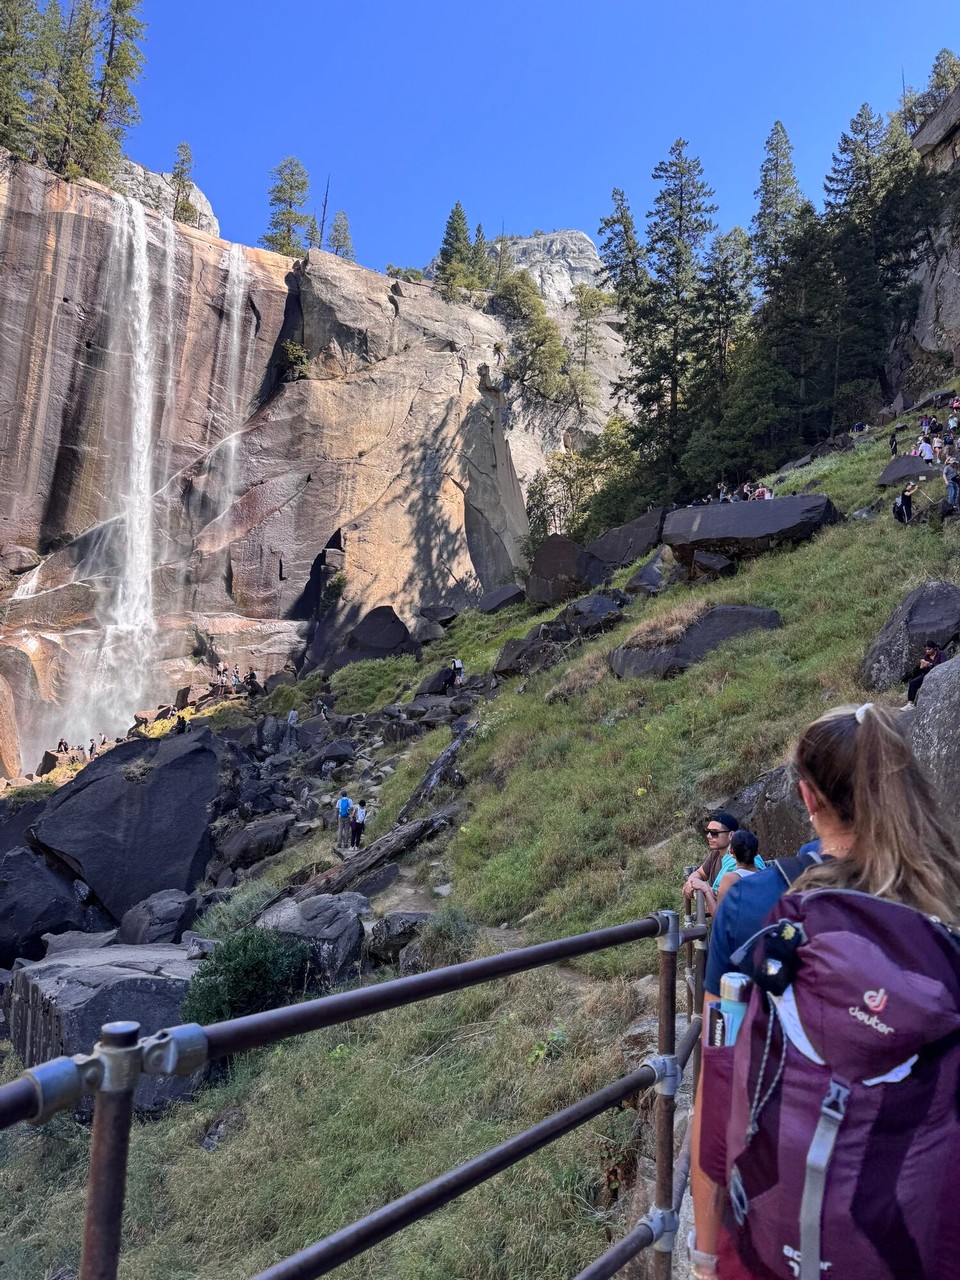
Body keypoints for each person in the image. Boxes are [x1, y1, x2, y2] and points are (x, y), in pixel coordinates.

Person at [690, 701, 960, 1280]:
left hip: (766, 1241)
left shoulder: (750, 905)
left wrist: (706, 1257)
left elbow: (719, 1077)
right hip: (907, 1243)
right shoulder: (945, 912)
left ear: (807, 798)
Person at [692, 830, 763, 915]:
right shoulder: (765, 876)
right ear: (757, 851)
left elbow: (719, 916)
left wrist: (705, 888)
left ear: (731, 852)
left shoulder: (731, 878)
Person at [683, 812, 740, 909]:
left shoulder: (738, 861)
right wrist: (691, 882)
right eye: (707, 831)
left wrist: (704, 888)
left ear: (731, 835)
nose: (709, 836)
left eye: (714, 833)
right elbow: (700, 873)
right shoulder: (716, 853)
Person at [904, 638, 946, 707]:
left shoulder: (941, 654)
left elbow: (944, 665)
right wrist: (922, 666)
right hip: (927, 675)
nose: (927, 651)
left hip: (939, 675)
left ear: (934, 648)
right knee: (913, 683)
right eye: (926, 649)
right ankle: (910, 704)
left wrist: (930, 664)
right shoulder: (926, 657)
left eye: (929, 649)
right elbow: (923, 671)